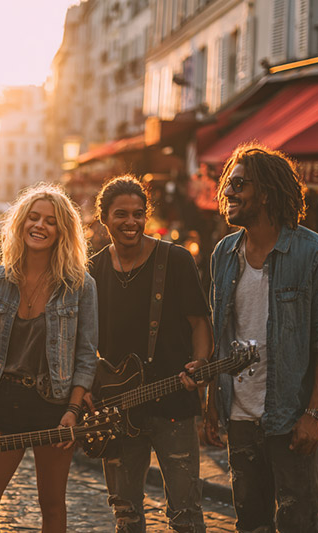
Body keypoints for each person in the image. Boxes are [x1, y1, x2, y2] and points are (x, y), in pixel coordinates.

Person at [207, 144, 318, 532]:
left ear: (266, 192)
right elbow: (221, 333)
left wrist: (314, 413)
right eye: (227, 185)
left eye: (238, 184)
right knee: (250, 522)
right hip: (239, 415)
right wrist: (212, 402)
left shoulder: (315, 253)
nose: (228, 193)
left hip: (289, 417)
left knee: (296, 520)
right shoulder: (224, 253)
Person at [0, 183, 98, 533]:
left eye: (51, 221)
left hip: (54, 405)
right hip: (7, 399)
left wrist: (72, 410)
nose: (40, 226)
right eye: (34, 217)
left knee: (51, 505)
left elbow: (86, 355)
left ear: (62, 232)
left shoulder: (80, 285)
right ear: (21, 222)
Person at [88, 175, 213, 532]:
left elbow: (200, 323)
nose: (131, 222)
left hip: (174, 401)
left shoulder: (174, 260)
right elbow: (86, 341)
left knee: (186, 511)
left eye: (138, 214)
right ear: (104, 218)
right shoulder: (93, 269)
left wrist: (201, 363)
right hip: (118, 408)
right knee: (126, 512)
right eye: (121, 214)